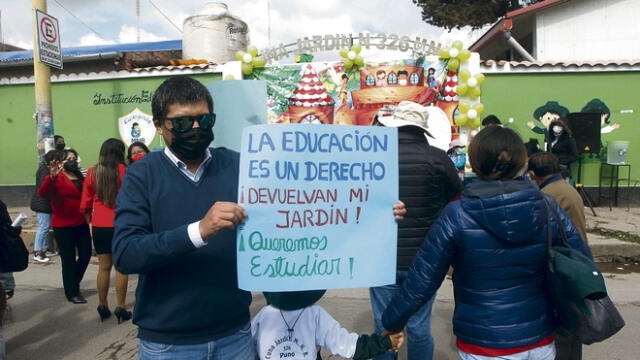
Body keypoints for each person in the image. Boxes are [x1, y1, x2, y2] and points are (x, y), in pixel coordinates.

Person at [113, 76, 407, 359]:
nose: (195, 127)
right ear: (159, 125)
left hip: (234, 334)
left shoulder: (240, 165)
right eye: (182, 122)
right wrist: (198, 231)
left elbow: (302, 208)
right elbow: (126, 254)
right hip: (169, 342)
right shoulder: (142, 174)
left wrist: (373, 212)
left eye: (204, 120)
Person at [380, 126, 592, 360]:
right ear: (523, 162)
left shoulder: (457, 213)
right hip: (540, 339)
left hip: (484, 343)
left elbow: (422, 280)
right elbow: (581, 261)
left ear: (474, 162)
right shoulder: (548, 205)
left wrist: (391, 322)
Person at [371, 101, 462, 360]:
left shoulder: (376, 158)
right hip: (425, 260)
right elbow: (455, 201)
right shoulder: (438, 159)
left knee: (383, 325)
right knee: (419, 325)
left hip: (381, 257)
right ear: (422, 129)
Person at [252, 290, 404, 360]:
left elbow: (246, 348)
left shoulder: (263, 316)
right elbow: (348, 347)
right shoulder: (314, 314)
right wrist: (385, 342)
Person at [80, 139, 131, 323]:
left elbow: (85, 203)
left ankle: (102, 305)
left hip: (99, 225)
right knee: (121, 268)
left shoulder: (93, 172)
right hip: (120, 224)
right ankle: (121, 306)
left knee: (103, 267)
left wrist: (90, 222)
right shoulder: (124, 171)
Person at [38, 149, 92, 304]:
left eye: (74, 158)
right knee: (68, 260)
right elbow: (43, 193)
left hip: (80, 222)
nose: (72, 160)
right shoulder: (56, 178)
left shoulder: (79, 175)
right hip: (64, 224)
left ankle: (72, 283)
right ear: (60, 162)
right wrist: (52, 177)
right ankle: (72, 292)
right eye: (68, 158)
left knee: (86, 254)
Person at [528, 152, 588, 244]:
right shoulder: (567, 187)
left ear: (531, 174)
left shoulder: (546, 195)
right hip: (578, 249)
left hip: (566, 252)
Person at [30, 150, 57, 262]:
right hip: (42, 204)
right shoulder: (45, 171)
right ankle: (38, 251)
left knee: (46, 227)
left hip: (45, 204)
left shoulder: (46, 169)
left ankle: (45, 249)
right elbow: (44, 188)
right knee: (43, 227)